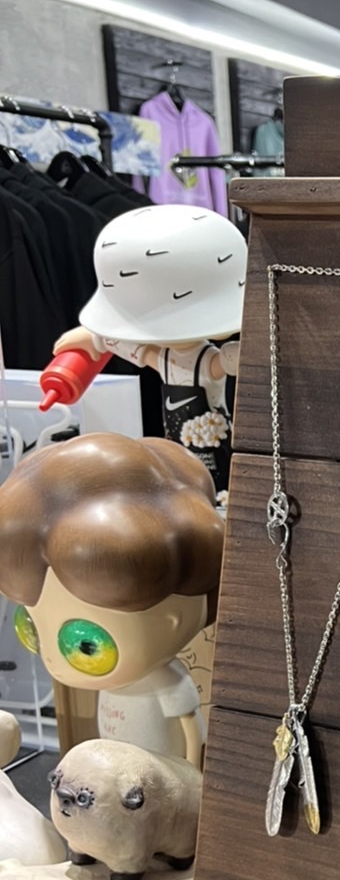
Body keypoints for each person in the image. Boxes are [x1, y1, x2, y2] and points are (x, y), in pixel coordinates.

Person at [0, 433, 224, 767]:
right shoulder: (110, 687)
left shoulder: (167, 684)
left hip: (166, 774)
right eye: (29, 628)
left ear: (172, 621)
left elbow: (193, 733)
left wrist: (191, 776)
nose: (51, 660)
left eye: (86, 646)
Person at [52, 204, 247, 501]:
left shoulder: (206, 361)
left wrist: (250, 353)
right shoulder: (164, 358)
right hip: (177, 435)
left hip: (211, 432)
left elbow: (232, 361)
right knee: (179, 469)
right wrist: (97, 339)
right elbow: (136, 350)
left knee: (214, 473)